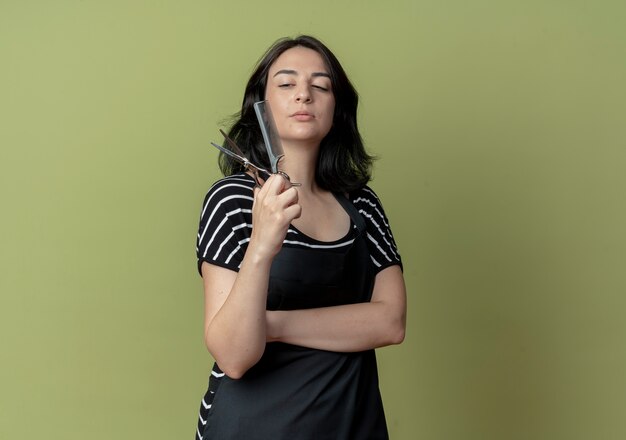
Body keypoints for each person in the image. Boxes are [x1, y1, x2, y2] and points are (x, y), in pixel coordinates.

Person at [195, 35, 406, 440]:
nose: (304, 95)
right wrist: (261, 246)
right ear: (261, 106)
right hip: (251, 427)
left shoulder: (362, 204)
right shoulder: (234, 200)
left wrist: (268, 326)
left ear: (336, 108)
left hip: (352, 426)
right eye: (287, 84)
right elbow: (235, 356)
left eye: (321, 86)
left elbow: (390, 322)